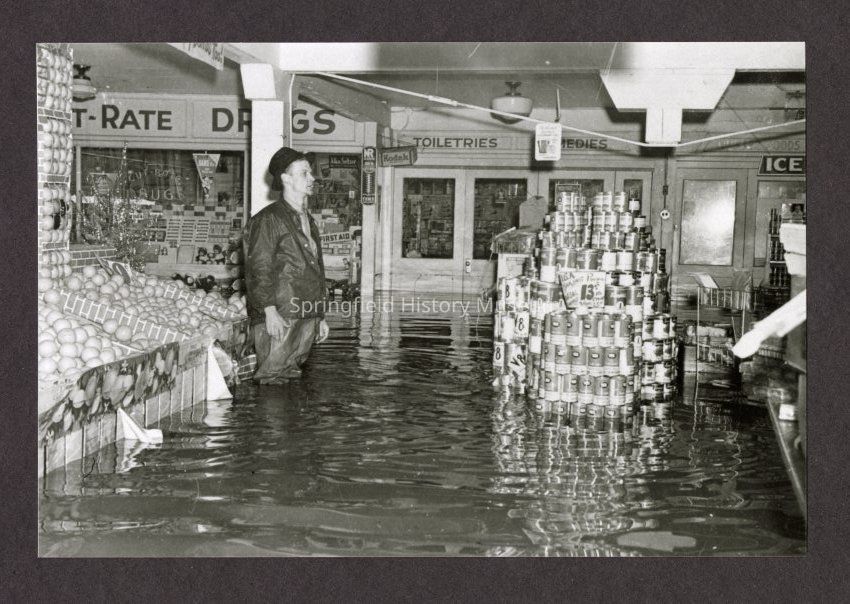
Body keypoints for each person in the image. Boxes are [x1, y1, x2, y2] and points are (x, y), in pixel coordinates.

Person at [244, 147, 329, 384]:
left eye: (310, 173)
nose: (312, 178)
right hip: (282, 314)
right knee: (272, 378)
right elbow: (258, 267)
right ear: (286, 178)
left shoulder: (307, 220)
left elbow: (316, 268)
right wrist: (269, 311)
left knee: (290, 378)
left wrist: (319, 316)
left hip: (305, 312)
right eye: (304, 173)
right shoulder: (268, 219)